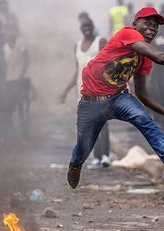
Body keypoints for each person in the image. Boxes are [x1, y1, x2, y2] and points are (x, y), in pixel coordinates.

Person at [67, 7, 164, 189]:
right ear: (135, 25)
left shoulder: (145, 57)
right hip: (91, 102)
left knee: (145, 120)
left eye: (155, 27)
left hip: (118, 97)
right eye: (147, 24)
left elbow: (142, 93)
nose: (152, 29)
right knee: (84, 147)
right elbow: (161, 56)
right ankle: (75, 165)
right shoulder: (126, 34)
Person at [59, 17, 111, 169]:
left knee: (102, 123)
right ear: (80, 28)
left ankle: (106, 156)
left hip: (99, 89)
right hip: (82, 92)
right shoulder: (77, 46)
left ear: (93, 26)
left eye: (89, 25)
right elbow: (77, 70)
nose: (86, 28)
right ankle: (96, 156)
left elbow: (110, 65)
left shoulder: (101, 42)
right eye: (84, 26)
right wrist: (65, 92)